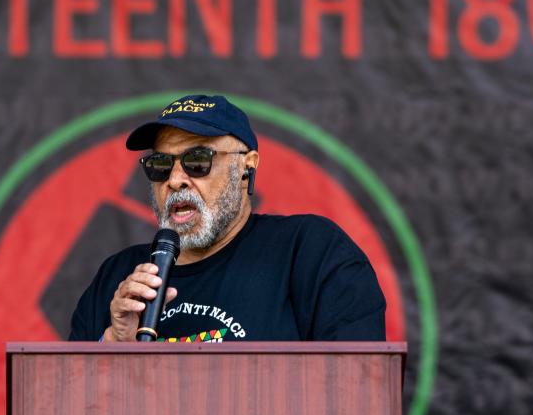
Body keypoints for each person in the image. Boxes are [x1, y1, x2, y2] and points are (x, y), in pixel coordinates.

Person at [69, 94, 386, 342]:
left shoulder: (309, 251)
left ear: (247, 166)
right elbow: (65, 410)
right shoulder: (117, 278)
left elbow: (357, 386)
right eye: (161, 165)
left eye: (197, 160)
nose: (175, 179)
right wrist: (114, 342)